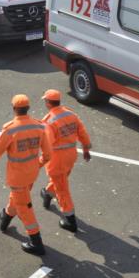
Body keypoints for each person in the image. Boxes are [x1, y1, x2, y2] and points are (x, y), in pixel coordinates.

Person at [0, 94, 52, 256]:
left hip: (17, 176)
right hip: (32, 173)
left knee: (24, 207)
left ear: (14, 109)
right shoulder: (39, 126)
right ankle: (6, 217)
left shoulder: (11, 129)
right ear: (28, 108)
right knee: (18, 198)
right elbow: (48, 154)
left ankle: (36, 242)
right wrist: (38, 164)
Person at [39, 89, 91, 232]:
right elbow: (82, 132)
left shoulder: (49, 121)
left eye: (45, 101)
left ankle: (70, 221)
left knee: (62, 189)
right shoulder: (70, 113)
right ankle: (47, 193)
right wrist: (86, 149)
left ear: (48, 103)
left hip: (57, 159)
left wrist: (38, 163)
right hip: (70, 156)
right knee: (60, 181)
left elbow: (47, 146)